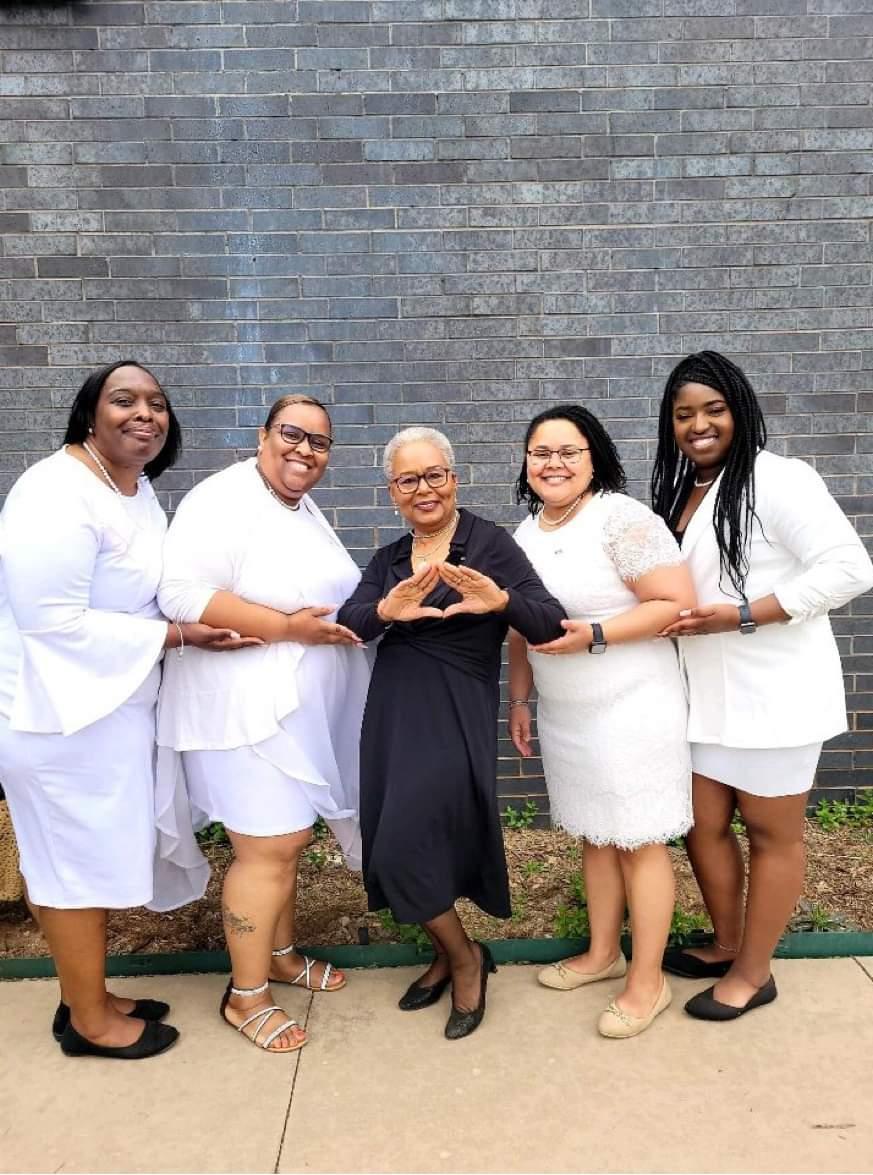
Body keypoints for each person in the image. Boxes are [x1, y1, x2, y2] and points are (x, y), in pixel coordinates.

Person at [0, 361, 252, 1061]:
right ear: (90, 414)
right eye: (125, 399)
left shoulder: (133, 489)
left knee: (87, 861)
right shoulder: (54, 492)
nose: (145, 412)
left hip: (108, 709)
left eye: (157, 403)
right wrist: (177, 636)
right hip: (58, 717)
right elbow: (50, 621)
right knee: (71, 870)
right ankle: (89, 1023)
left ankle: (88, 995)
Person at [651, 350, 873, 1020]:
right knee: (702, 826)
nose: (698, 425)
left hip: (775, 693)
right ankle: (727, 942)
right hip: (703, 695)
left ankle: (754, 972)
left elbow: (849, 568)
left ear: (740, 410)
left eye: (713, 409)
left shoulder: (779, 479)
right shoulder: (684, 487)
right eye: (683, 414)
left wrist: (745, 614)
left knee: (771, 835)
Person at [157, 394, 371, 1054]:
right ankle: (245, 994)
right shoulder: (223, 499)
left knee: (287, 841)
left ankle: (278, 955)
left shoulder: (298, 507)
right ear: (263, 435)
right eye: (292, 434)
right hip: (242, 716)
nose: (305, 450)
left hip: (290, 719)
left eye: (319, 442)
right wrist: (286, 629)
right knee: (267, 847)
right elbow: (182, 593)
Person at [337, 427, 565, 1040]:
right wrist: (383, 611)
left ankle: (465, 959)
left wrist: (500, 601)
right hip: (392, 713)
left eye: (434, 475)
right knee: (391, 838)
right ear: (393, 493)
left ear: (454, 479)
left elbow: (549, 621)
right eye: (408, 480)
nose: (424, 489)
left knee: (406, 843)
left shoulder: (488, 544)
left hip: (453, 708)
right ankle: (448, 953)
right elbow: (351, 620)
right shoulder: (389, 559)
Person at [509, 405, 695, 1039]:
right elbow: (520, 626)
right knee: (595, 833)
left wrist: (594, 634)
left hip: (632, 705)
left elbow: (675, 602)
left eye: (569, 451)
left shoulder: (622, 519)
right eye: (541, 452)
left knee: (639, 839)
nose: (554, 463)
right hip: (567, 711)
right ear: (526, 462)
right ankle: (602, 953)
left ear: (595, 458)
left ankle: (648, 980)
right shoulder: (526, 532)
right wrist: (519, 699)